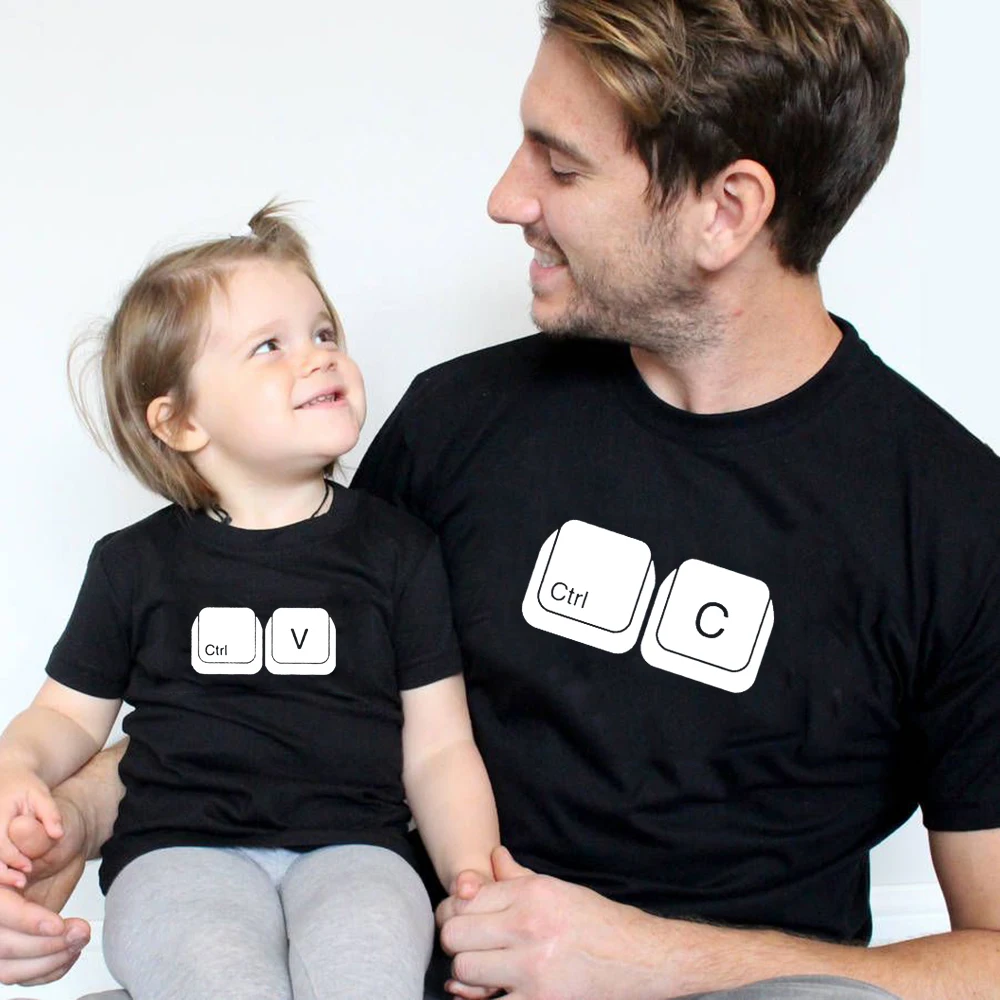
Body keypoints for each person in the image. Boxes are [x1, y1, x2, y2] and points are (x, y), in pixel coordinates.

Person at [3, 0, 1000, 998]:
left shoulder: (957, 521)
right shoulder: (459, 421)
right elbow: (282, 702)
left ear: (725, 211)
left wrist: (655, 961)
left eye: (560, 166)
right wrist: (71, 815)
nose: (505, 197)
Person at [0, 203, 500, 999]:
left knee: (369, 971)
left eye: (324, 332)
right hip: (178, 851)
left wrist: (473, 878)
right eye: (270, 346)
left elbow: (439, 749)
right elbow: (66, 715)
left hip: (358, 851)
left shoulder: (400, 551)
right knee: (218, 975)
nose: (318, 356)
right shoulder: (134, 564)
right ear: (180, 421)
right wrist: (17, 765)